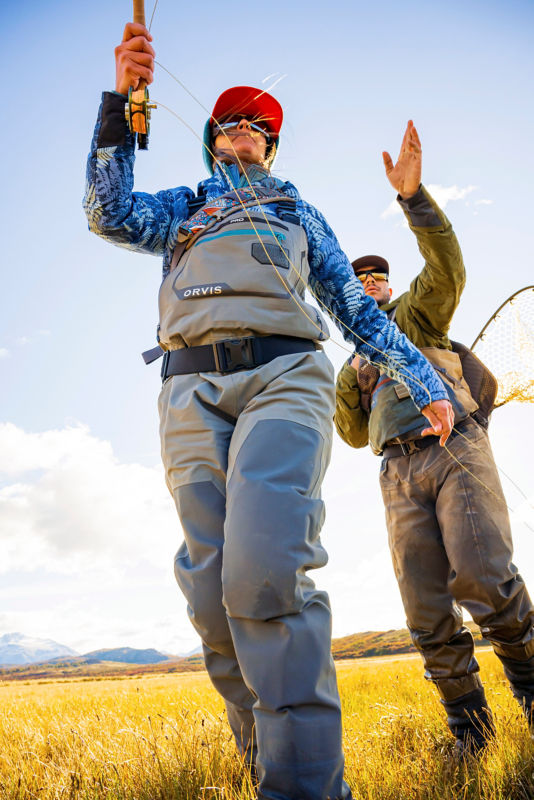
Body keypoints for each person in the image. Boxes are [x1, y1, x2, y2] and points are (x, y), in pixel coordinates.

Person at [84, 23, 454, 799]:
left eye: (260, 124)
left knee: (264, 574)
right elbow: (108, 212)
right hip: (188, 392)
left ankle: (309, 790)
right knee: (212, 596)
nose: (244, 127)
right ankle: (269, 773)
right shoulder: (180, 208)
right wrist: (122, 100)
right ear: (214, 138)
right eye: (231, 120)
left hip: (284, 377)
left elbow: (356, 308)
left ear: (272, 147)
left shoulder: (295, 211)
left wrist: (424, 381)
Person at [334, 120, 534, 755]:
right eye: (357, 282)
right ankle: (470, 736)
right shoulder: (352, 363)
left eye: (376, 280)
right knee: (425, 612)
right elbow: (352, 433)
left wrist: (414, 199)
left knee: (484, 580)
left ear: (390, 288)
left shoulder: (417, 314)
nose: (368, 285)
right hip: (395, 472)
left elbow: (447, 266)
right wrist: (347, 374)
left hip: (455, 451)